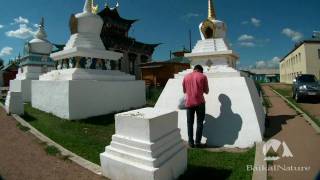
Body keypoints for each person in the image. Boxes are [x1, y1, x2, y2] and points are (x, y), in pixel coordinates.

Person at [182, 65, 209, 148]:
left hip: (189, 103)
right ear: (201, 70)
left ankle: (190, 142)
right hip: (200, 102)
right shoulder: (203, 76)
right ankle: (197, 143)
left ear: (194, 69)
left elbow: (184, 90)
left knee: (189, 123)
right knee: (200, 123)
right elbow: (207, 91)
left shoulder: (186, 77)